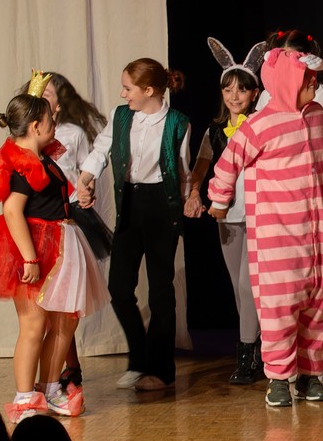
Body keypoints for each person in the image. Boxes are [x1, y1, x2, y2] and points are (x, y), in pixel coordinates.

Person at [208, 48, 323, 406]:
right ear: (286, 82)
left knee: (319, 304)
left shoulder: (317, 115)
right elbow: (229, 162)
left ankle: (311, 375)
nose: (315, 85)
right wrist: (219, 200)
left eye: (315, 80)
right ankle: (279, 377)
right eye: (308, 80)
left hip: (321, 231)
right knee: (279, 306)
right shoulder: (259, 124)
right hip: (278, 233)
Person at [0, 85, 106, 423]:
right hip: (36, 247)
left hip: (60, 243)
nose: (55, 123)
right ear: (35, 126)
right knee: (33, 324)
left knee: (66, 319)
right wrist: (30, 258)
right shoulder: (22, 164)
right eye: (50, 119)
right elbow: (12, 211)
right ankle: (24, 398)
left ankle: (49, 388)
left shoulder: (42, 157)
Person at [77, 57, 191, 392]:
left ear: (149, 90)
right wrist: (85, 179)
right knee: (119, 287)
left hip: (161, 206)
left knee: (160, 291)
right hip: (130, 203)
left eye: (128, 88)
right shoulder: (121, 116)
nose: (123, 94)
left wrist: (189, 199)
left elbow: (182, 170)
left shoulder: (178, 122)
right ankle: (138, 359)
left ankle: (161, 370)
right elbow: (101, 149)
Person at [185, 39, 265, 386]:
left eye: (242, 89)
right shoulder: (214, 132)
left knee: (250, 286)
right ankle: (257, 347)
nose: (234, 96)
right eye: (228, 89)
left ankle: (246, 357)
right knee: (238, 287)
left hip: (260, 215)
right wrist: (193, 193)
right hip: (227, 216)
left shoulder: (261, 126)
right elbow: (200, 170)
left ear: (254, 93)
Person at [25, 70, 112, 388]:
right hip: (40, 219)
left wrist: (86, 191)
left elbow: (84, 171)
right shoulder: (28, 134)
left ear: (59, 105)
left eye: (48, 95)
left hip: (69, 215)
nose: (41, 98)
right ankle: (63, 368)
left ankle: (66, 369)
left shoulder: (72, 133)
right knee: (47, 302)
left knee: (64, 300)